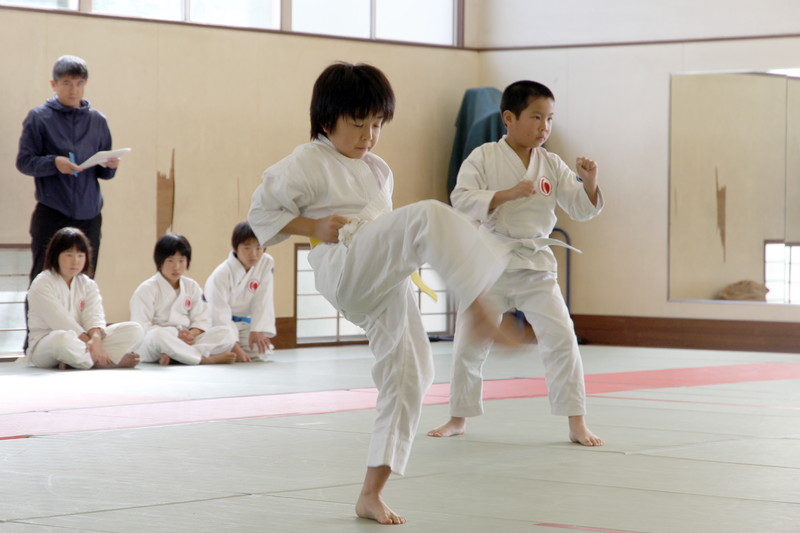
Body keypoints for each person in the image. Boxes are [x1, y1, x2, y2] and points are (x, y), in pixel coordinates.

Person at [248, 62, 517, 525]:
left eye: (376, 125)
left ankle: (371, 492)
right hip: (343, 265)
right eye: (358, 124)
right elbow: (260, 214)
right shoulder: (305, 162)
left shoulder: (379, 170)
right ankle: (478, 307)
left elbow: (392, 236)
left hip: (380, 275)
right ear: (327, 118)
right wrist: (311, 226)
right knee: (429, 215)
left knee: (413, 370)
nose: (369, 135)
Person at [427, 80, 605, 447]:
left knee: (562, 339)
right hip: (490, 261)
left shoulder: (551, 163)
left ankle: (576, 421)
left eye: (550, 119)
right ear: (509, 117)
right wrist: (507, 195)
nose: (544, 127)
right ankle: (458, 417)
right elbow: (460, 199)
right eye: (536, 117)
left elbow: (579, 207)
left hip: (536, 265)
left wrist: (588, 184)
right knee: (468, 344)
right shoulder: (483, 156)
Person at [16, 55, 122, 281]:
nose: (73, 90)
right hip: (53, 211)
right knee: (43, 280)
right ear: (54, 84)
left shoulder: (98, 121)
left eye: (79, 83)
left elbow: (104, 173)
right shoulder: (39, 118)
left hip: (90, 214)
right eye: (66, 83)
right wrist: (54, 163)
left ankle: (80, 319)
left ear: (85, 84)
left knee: (84, 281)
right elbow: (24, 162)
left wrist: (110, 166)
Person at [26, 227, 142, 370]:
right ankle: (109, 361)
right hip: (46, 344)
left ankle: (76, 360)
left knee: (134, 329)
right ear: (56, 255)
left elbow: (94, 316)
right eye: (69, 255)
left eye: (80, 255)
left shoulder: (87, 284)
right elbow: (61, 321)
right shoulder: (42, 283)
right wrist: (93, 345)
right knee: (63, 339)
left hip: (84, 343)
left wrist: (96, 339)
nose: (75, 261)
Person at [129, 233, 237, 366]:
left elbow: (202, 319)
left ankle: (177, 356)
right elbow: (141, 328)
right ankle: (204, 359)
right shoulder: (146, 289)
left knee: (227, 333)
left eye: (181, 260)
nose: (177, 267)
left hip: (187, 340)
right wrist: (175, 335)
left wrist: (191, 334)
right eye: (170, 260)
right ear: (159, 261)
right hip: (156, 343)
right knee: (158, 336)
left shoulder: (192, 286)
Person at [204, 221, 276, 362]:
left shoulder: (266, 262)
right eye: (247, 248)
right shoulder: (222, 274)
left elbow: (263, 298)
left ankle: (228, 349)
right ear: (236, 248)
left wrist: (257, 329)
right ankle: (217, 353)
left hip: (242, 324)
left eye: (259, 248)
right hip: (216, 325)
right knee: (226, 341)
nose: (253, 254)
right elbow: (219, 313)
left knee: (261, 352)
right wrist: (236, 347)